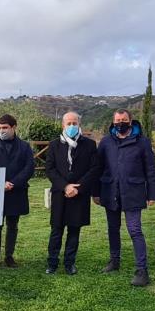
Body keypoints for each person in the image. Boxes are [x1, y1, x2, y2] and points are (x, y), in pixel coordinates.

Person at [94, 109, 155, 287]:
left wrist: (153, 193)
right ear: (113, 122)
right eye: (117, 120)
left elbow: (151, 170)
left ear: (130, 121)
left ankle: (141, 269)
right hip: (110, 190)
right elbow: (98, 168)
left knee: (135, 230)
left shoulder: (142, 142)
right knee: (113, 228)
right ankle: (114, 261)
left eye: (123, 120)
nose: (120, 123)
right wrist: (96, 192)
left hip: (133, 191)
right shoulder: (106, 142)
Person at [44, 112, 102, 275]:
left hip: (80, 194)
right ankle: (52, 263)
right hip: (60, 193)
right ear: (63, 125)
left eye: (74, 123)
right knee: (56, 230)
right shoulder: (54, 145)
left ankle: (70, 263)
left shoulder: (89, 145)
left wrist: (78, 187)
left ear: (79, 124)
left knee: (74, 230)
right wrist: (65, 186)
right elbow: (50, 169)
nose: (71, 126)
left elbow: (95, 168)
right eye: (68, 123)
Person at [0, 114, 35, 269]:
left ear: (13, 127)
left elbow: (29, 167)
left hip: (16, 191)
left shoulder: (24, 146)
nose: (1, 131)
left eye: (5, 128)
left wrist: (14, 183)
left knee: (13, 225)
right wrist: (0, 183)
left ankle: (9, 256)